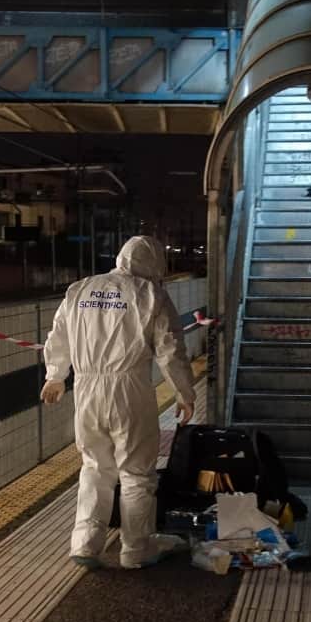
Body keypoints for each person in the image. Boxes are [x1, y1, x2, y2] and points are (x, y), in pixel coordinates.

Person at [40, 235, 196, 570]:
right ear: (154, 263)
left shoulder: (81, 289)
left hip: (86, 390)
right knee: (136, 472)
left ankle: (85, 543)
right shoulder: (152, 294)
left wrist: (55, 376)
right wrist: (184, 393)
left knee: (95, 467)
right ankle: (136, 548)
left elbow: (59, 336)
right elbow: (170, 351)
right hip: (129, 391)